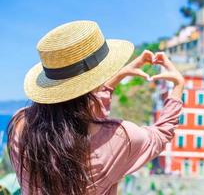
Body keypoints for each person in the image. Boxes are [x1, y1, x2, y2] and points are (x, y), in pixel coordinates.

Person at [7, 20, 184, 195]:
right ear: (97, 78)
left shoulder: (19, 125)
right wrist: (177, 87)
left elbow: (75, 114)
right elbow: (161, 135)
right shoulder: (120, 137)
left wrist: (113, 81)